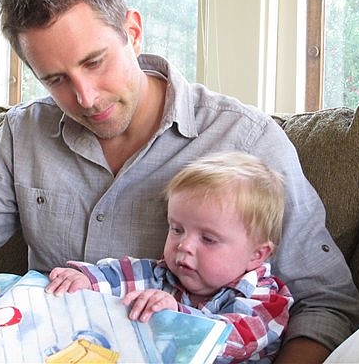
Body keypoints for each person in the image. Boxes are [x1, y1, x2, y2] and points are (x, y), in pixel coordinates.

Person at [0, 0, 359, 362]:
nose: (85, 98)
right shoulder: (22, 136)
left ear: (133, 31)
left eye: (96, 62)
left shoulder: (247, 142)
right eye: (56, 79)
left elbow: (325, 304)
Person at [46, 152, 294, 362]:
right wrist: (84, 280)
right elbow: (119, 274)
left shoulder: (265, 300)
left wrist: (175, 315)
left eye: (207, 239)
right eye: (177, 229)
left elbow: (233, 340)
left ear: (256, 255)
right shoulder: (160, 274)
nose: (184, 245)